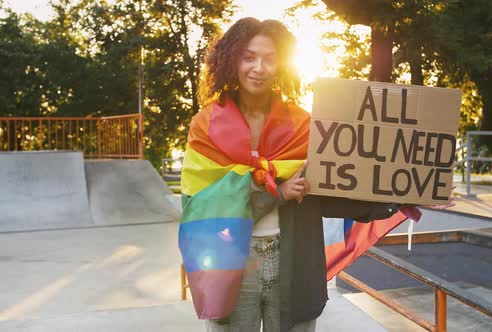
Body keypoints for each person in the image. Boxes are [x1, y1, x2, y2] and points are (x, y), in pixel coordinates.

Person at [178, 17, 454, 332]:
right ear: (232, 60)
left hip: (294, 260)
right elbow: (199, 205)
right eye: (249, 56)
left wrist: (419, 189)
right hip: (233, 264)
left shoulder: (304, 126)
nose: (259, 67)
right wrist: (274, 192)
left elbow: (337, 189)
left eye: (270, 59)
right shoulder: (205, 126)